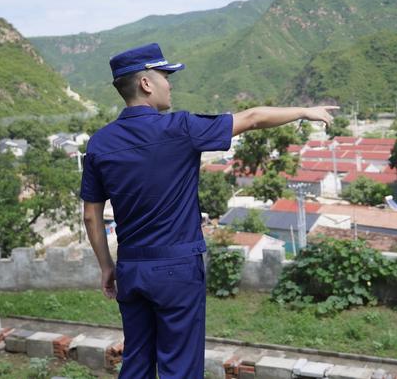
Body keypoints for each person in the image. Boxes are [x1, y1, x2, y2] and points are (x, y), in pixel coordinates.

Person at [80, 42, 336, 378]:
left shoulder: (100, 142)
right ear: (146, 84)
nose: (170, 83)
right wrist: (304, 112)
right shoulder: (181, 128)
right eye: (165, 75)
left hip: (132, 267)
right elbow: (254, 118)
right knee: (180, 366)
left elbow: (90, 214)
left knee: (137, 361)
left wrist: (106, 266)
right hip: (177, 268)